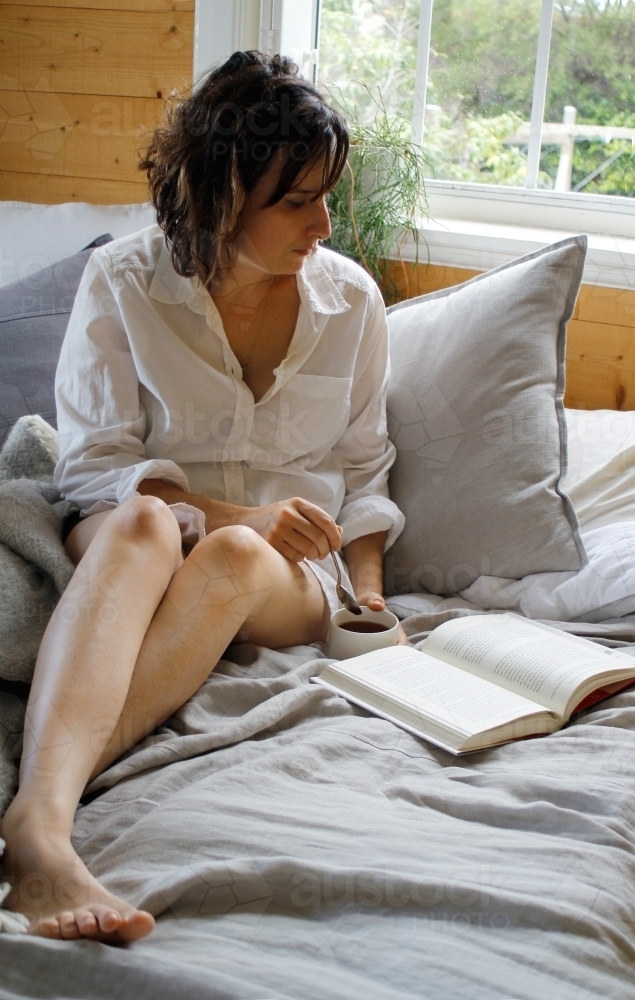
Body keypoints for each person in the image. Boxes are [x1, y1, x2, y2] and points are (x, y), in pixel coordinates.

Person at [0, 51, 405, 943]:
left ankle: (35, 809)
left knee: (228, 555)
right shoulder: (124, 281)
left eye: (324, 194)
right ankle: (40, 835)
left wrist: (368, 591)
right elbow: (95, 466)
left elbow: (366, 469)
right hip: (131, 523)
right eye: (295, 202)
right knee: (153, 514)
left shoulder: (353, 303)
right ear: (222, 196)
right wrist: (234, 513)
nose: (324, 222)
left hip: (283, 571)